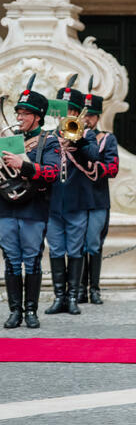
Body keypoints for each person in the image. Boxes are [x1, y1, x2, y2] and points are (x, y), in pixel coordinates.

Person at [1, 77, 59, 329]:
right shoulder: (8, 139)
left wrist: (23, 165)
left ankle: (31, 311)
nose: (19, 117)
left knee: (32, 258)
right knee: (11, 259)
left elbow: (52, 173)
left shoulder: (49, 141)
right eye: (18, 113)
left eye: (25, 113)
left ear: (38, 117)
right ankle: (15, 311)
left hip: (33, 208)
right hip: (6, 207)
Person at [44, 76, 99, 316]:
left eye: (70, 111)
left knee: (75, 250)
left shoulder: (88, 136)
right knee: (56, 250)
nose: (65, 115)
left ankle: (73, 297)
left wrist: (79, 139)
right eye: (62, 111)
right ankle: (59, 297)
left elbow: (94, 156)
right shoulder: (47, 137)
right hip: (53, 203)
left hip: (77, 202)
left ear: (77, 113)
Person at [75, 85, 120, 305]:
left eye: (91, 115)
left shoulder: (106, 139)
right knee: (76, 245)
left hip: (97, 198)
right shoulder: (71, 137)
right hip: (76, 199)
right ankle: (78, 289)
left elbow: (113, 168)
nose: (87, 119)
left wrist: (94, 164)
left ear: (98, 117)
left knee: (93, 244)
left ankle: (94, 289)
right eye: (84, 115)